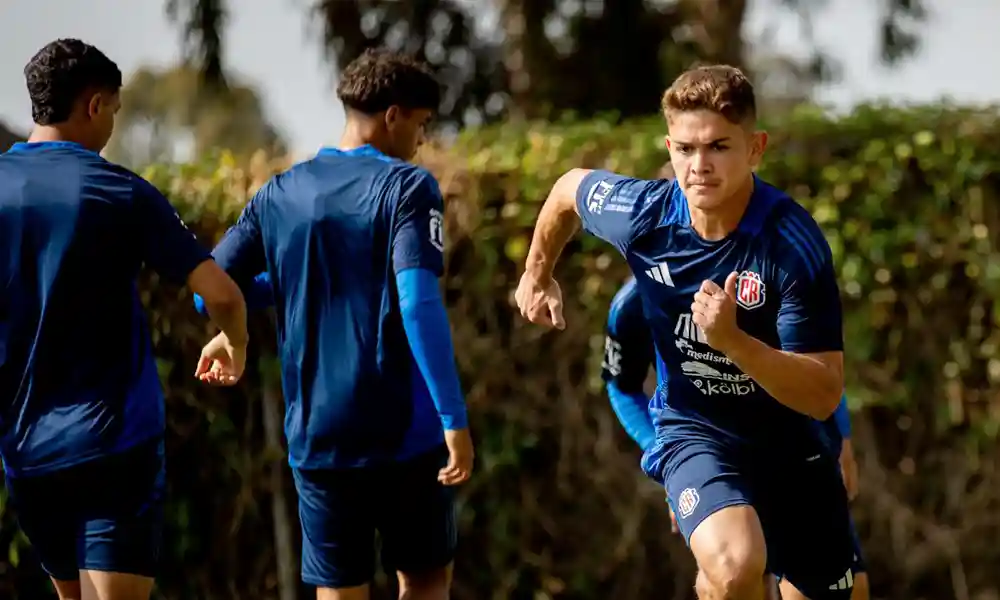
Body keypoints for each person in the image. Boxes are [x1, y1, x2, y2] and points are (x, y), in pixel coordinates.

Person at [515, 64, 859, 599]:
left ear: (755, 147)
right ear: (669, 146)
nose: (699, 166)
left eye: (719, 147)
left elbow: (822, 392)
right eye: (684, 149)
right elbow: (567, 191)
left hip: (792, 443)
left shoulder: (793, 244)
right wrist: (537, 274)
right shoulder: (644, 214)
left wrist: (736, 343)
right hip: (695, 431)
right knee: (734, 563)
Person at [193, 48, 472, 600]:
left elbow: (211, 293)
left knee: (339, 590)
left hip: (319, 435)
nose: (420, 142)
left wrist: (279, 293)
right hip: (406, 432)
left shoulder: (277, 193)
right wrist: (453, 417)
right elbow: (416, 301)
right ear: (393, 116)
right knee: (424, 578)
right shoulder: (408, 187)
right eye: (419, 125)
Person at [0, 39, 248, 600]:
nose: (112, 124)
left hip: (26, 449)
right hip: (114, 445)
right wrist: (235, 341)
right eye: (113, 109)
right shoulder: (120, 191)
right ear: (93, 105)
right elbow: (224, 295)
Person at [602, 276, 870, 599]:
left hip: (797, 451)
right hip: (712, 454)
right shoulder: (634, 301)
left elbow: (817, 366)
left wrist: (842, 436)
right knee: (730, 575)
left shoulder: (776, 267)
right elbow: (622, 387)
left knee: (850, 588)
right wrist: (667, 459)